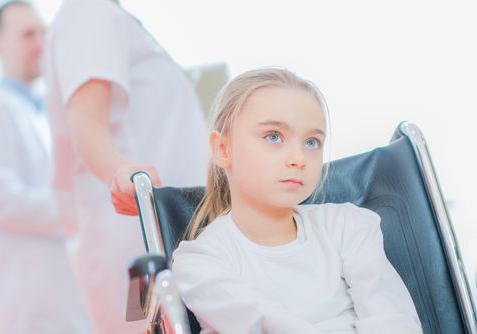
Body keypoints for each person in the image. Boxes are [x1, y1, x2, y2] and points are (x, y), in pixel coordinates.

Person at [172, 67, 423, 333]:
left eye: (312, 142)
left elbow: (393, 320)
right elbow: (269, 326)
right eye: (273, 136)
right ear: (223, 149)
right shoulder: (201, 261)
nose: (299, 158)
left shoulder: (348, 226)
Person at [44, 0, 209, 332]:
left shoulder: (104, 13)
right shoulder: (88, 12)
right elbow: (86, 119)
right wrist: (119, 172)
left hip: (161, 230)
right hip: (137, 230)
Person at [0, 0, 92, 333]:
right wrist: (75, 208)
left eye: (43, 34)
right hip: (33, 296)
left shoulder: (39, 111)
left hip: (61, 292)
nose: (39, 45)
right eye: (27, 35)